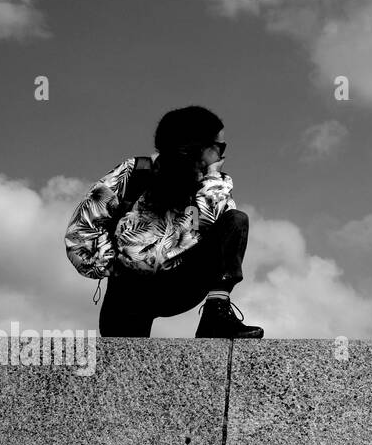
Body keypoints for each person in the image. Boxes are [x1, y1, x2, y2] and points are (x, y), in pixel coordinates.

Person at [64, 105, 264, 338]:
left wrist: (211, 179)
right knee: (123, 368)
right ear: (199, 147)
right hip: (129, 289)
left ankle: (215, 314)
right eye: (220, 147)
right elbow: (81, 231)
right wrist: (115, 265)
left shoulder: (210, 185)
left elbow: (211, 224)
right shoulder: (135, 172)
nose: (223, 155)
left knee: (236, 220)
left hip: (181, 283)